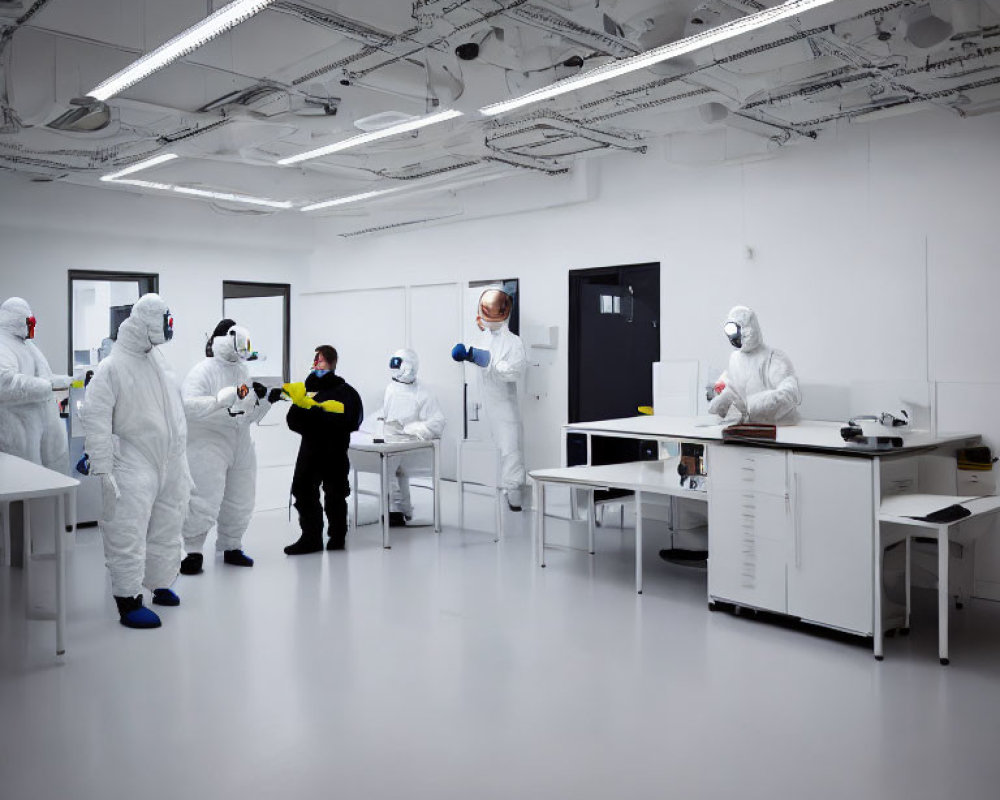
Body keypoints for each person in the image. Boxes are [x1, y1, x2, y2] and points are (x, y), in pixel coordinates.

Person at [82, 293, 190, 629]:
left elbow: (174, 408)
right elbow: (96, 417)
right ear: (147, 323)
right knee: (127, 528)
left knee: (167, 522)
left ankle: (159, 581)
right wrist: (102, 465)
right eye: (164, 319)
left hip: (168, 460)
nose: (169, 325)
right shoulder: (112, 366)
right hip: (132, 461)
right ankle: (127, 599)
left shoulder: (157, 361)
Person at [179, 319, 283, 574]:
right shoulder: (202, 371)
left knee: (241, 497)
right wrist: (219, 401)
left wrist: (266, 401)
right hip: (207, 442)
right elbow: (188, 407)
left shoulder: (242, 371)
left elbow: (247, 414)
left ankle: (232, 545)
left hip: (241, 442)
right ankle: (192, 551)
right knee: (204, 497)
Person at [451, 288, 527, 510]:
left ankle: (514, 496)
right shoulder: (482, 337)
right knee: (487, 451)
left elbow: (514, 371)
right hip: (484, 405)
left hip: (504, 407)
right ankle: (489, 489)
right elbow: (479, 363)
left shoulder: (513, 342)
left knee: (510, 450)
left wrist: (491, 363)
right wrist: (469, 356)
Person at [284, 345, 363, 554]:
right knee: (303, 492)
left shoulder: (346, 392)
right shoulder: (308, 391)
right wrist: (318, 414)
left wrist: (316, 415)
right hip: (310, 452)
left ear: (333, 362)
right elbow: (293, 420)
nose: (316, 364)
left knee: (335, 494)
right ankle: (311, 538)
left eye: (321, 360)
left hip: (334, 452)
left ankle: (337, 536)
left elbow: (351, 420)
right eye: (315, 360)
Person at [0, 296, 71, 472]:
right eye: (29, 321)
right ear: (17, 321)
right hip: (20, 434)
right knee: (26, 486)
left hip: (45, 431)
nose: (33, 325)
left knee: (51, 485)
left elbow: (42, 376)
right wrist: (47, 386)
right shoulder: (3, 344)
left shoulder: (27, 344)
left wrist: (61, 380)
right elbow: (5, 383)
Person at [376, 348, 445, 526]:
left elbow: (438, 423)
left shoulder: (423, 393)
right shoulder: (391, 388)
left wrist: (413, 428)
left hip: (411, 443)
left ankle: (396, 511)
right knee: (390, 470)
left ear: (409, 366)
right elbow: (387, 412)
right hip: (390, 440)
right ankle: (400, 510)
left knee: (392, 469)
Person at [707, 305, 801, 425]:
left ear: (748, 329)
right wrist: (723, 400)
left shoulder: (773, 358)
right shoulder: (735, 359)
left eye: (735, 330)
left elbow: (790, 394)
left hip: (779, 428)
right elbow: (736, 390)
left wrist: (752, 405)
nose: (733, 337)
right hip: (747, 429)